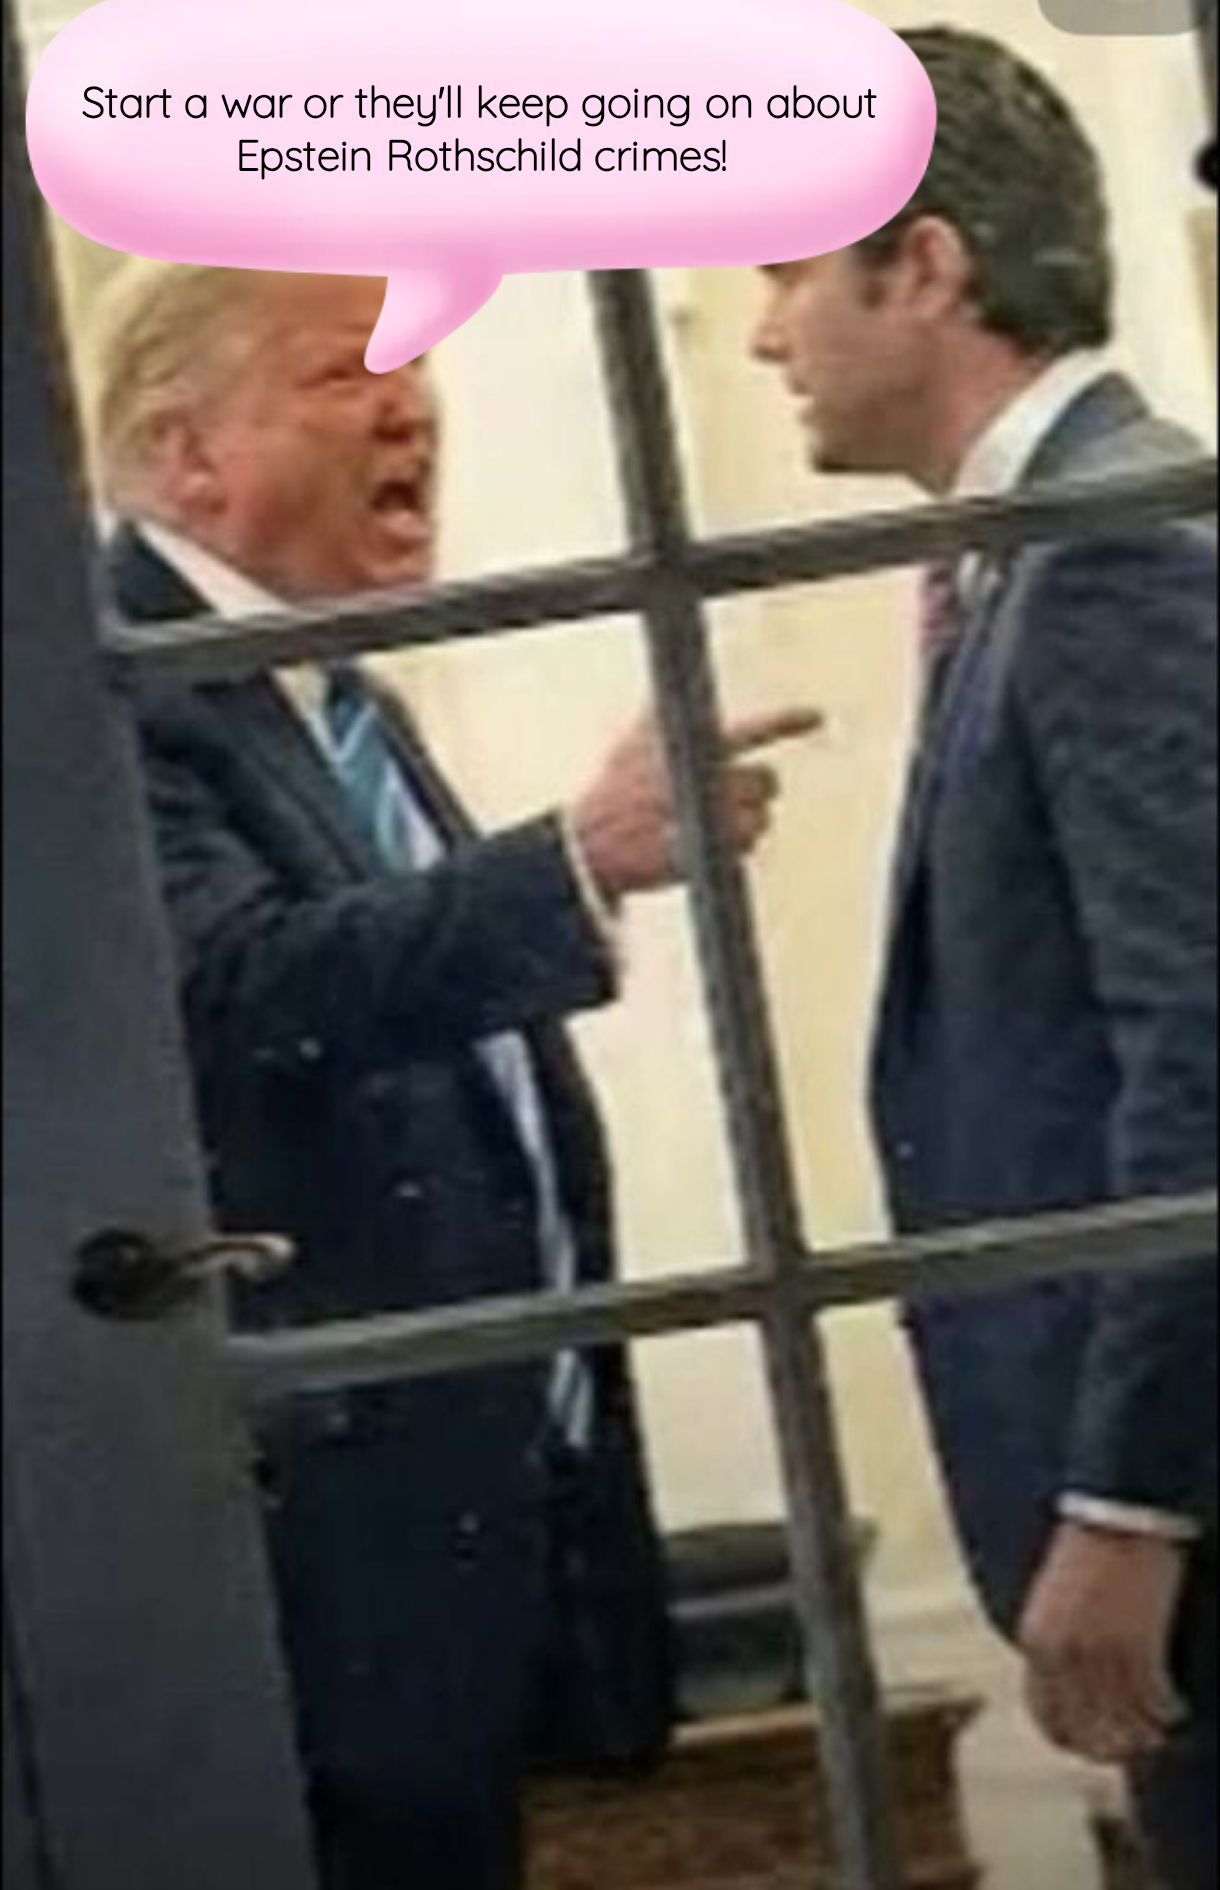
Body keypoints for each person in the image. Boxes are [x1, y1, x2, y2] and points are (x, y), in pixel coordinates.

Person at [88, 262, 816, 1890]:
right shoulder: (115, 691)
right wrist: (577, 861)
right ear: (189, 453)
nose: (412, 406)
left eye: (418, 366)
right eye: (346, 372)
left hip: (456, 1536)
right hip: (306, 1563)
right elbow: (241, 990)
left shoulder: (327, 692)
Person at [751, 28, 1217, 1889]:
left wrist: (1129, 1494)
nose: (766, 334)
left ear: (926, 267)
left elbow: (1203, 1044)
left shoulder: (1109, 550)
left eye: (788, 272)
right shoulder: (1030, 550)